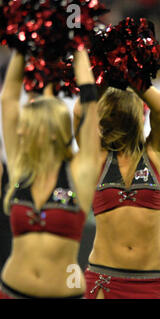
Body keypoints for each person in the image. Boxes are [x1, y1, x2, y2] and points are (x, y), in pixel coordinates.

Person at [0, 48, 100, 298]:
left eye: (27, 126)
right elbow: (8, 101)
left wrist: (78, 45)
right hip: (11, 291)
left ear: (54, 131)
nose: (19, 132)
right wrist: (21, 44)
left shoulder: (79, 172)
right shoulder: (21, 167)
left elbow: (90, 104)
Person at [74, 78, 160, 299]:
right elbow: (80, 111)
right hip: (104, 277)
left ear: (137, 113)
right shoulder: (96, 157)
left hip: (152, 280)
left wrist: (129, 69)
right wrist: (105, 74)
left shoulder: (157, 153)